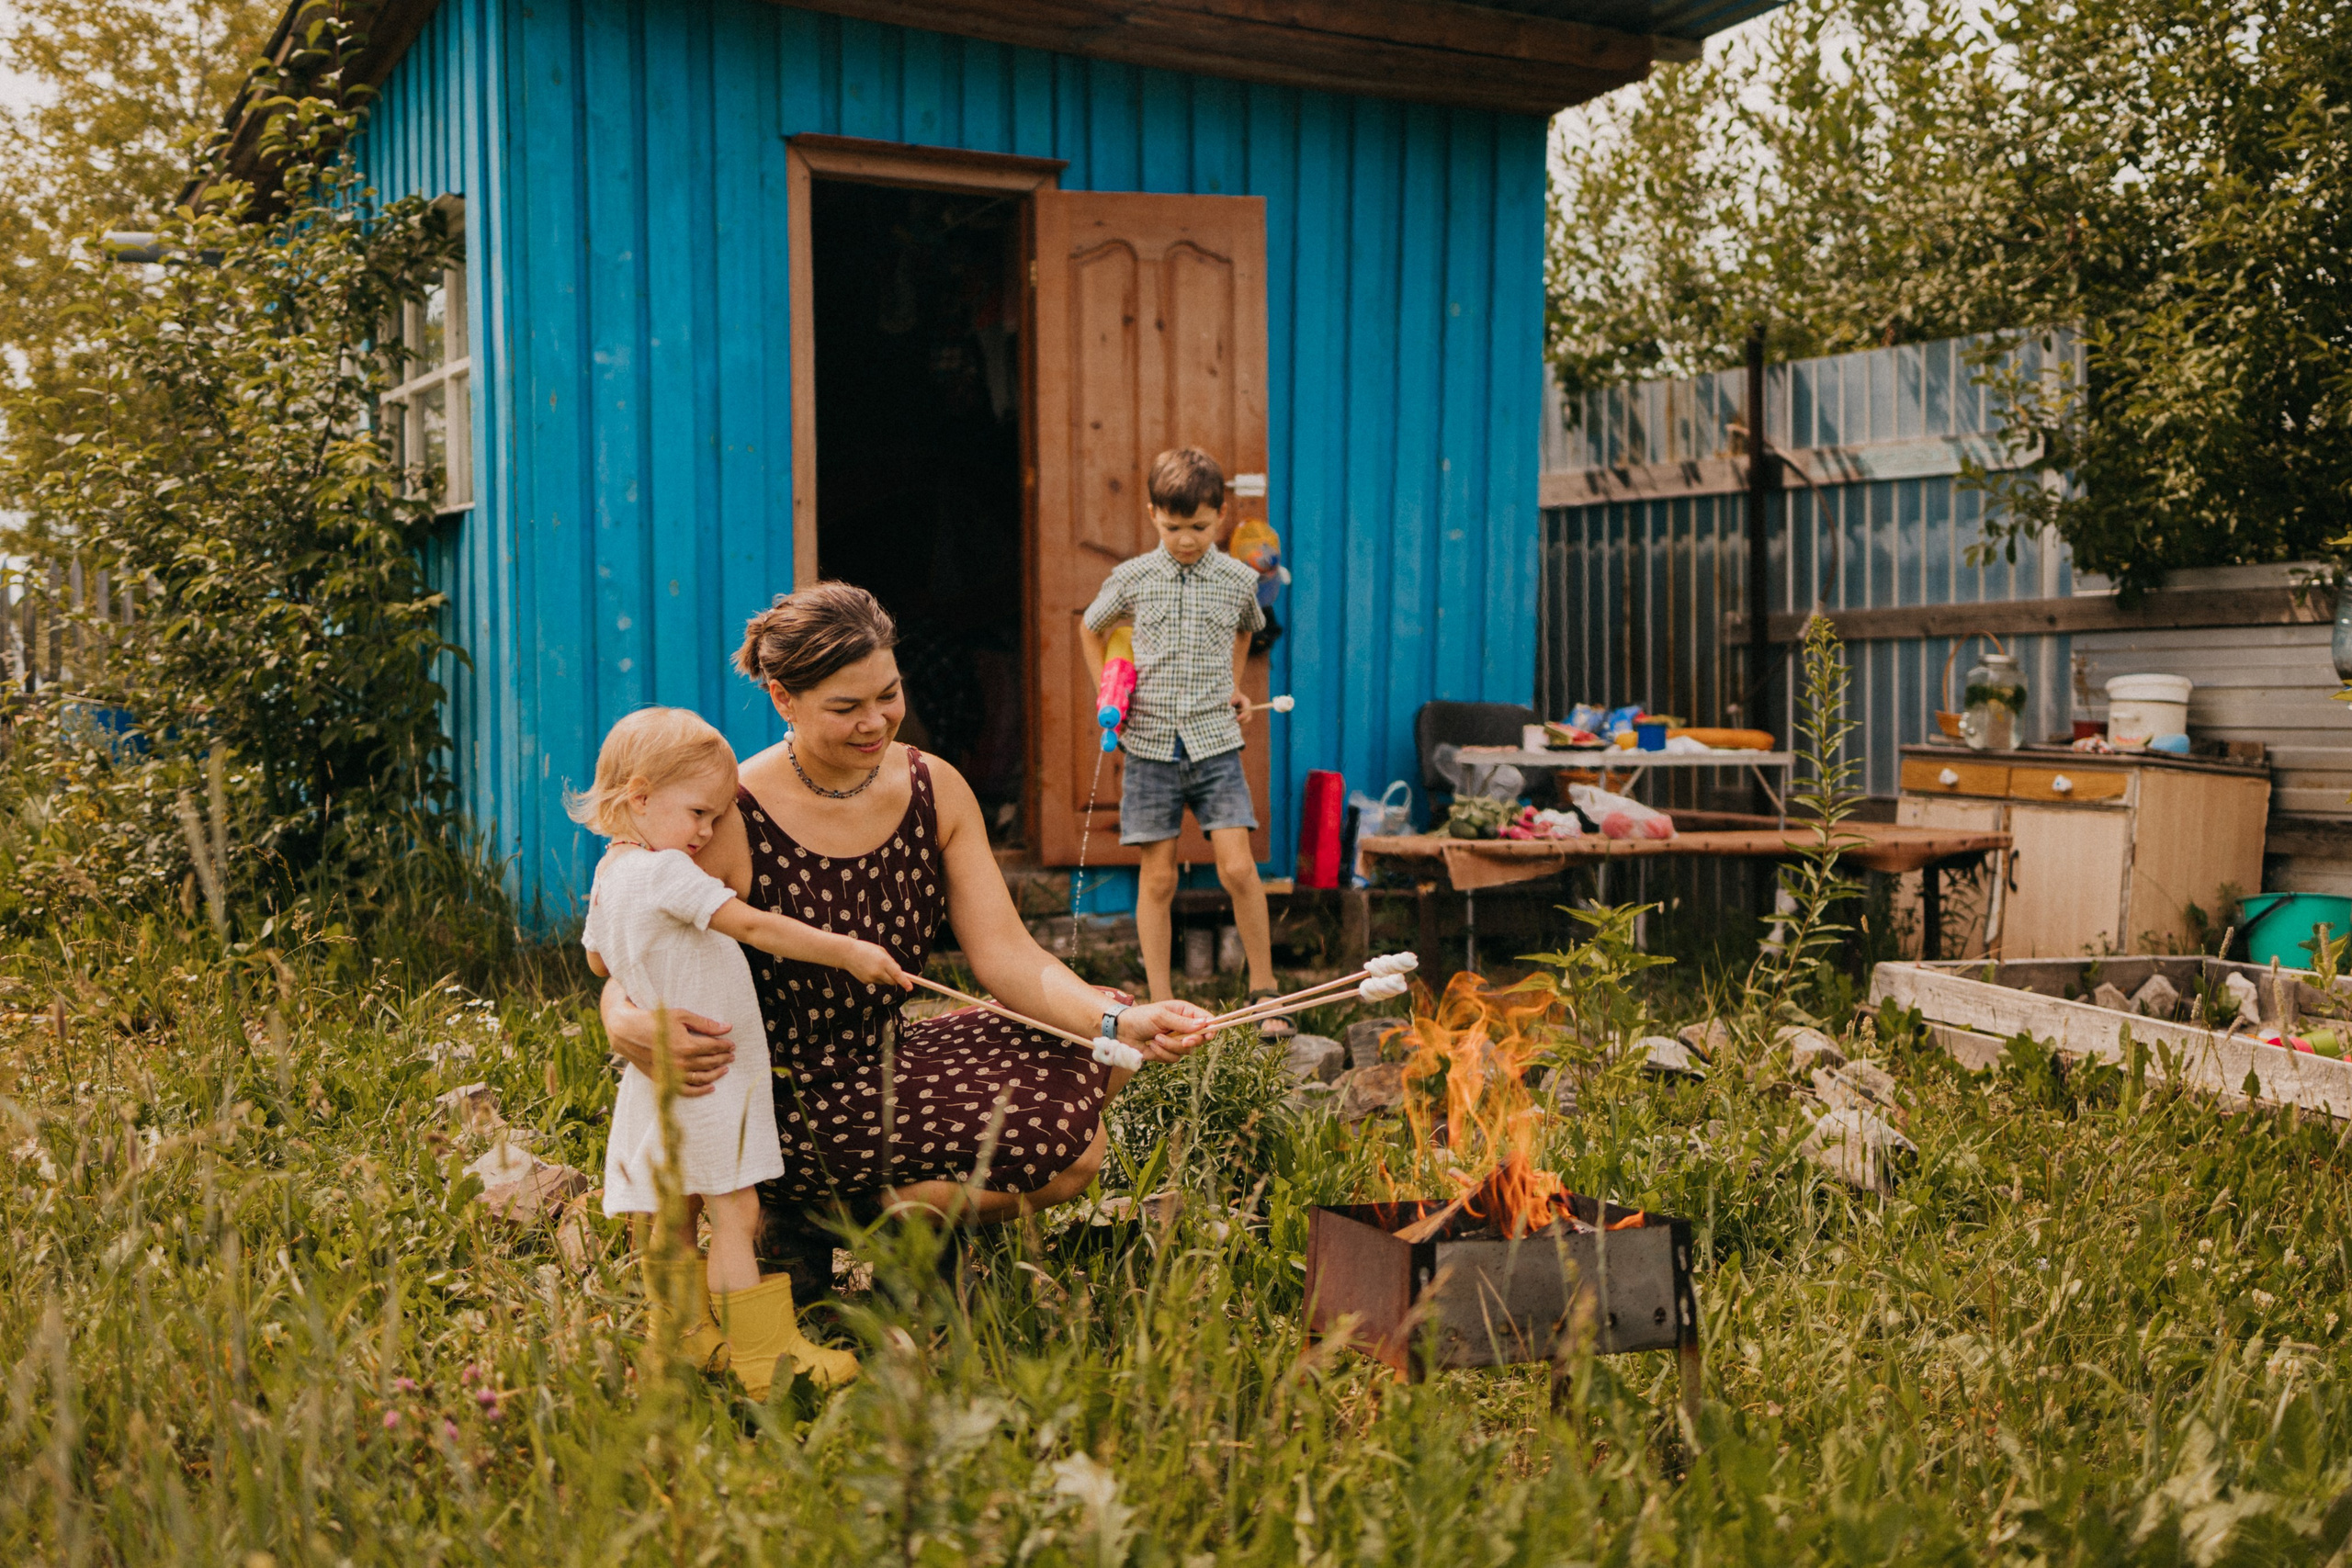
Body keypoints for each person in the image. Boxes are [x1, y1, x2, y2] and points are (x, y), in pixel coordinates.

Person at [594, 584, 1213, 1302]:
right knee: (1074, 1150)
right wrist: (624, 1020)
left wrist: (1116, 1023)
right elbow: (629, 943)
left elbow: (1007, 955)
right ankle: (822, 1211)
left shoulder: (934, 788)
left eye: (887, 694)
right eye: (845, 706)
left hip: (885, 1056)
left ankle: (864, 1216)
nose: (875, 721)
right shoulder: (732, 813)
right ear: (783, 701)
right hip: (778, 1094)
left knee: (1103, 1047)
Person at [570, 706, 910, 1397]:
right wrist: (848, 950)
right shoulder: (669, 872)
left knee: (670, 1209)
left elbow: (601, 963)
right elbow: (752, 923)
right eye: (698, 812)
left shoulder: (611, 873)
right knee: (736, 1210)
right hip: (714, 1073)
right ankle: (762, 1352)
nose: (706, 831)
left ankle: (683, 1335)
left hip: (657, 1076)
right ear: (639, 796)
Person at [1078, 446, 1283, 1028]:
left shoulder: (1239, 580)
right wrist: (1106, 691)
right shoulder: (1133, 578)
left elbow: (1247, 633)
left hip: (1216, 742)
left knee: (1239, 869)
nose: (1187, 538)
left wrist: (1235, 686)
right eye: (1173, 527)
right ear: (1152, 516)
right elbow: (1091, 629)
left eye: (1198, 526)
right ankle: (1159, 1000)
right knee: (1160, 876)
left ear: (1220, 515)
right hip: (1148, 748)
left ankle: (1264, 991)